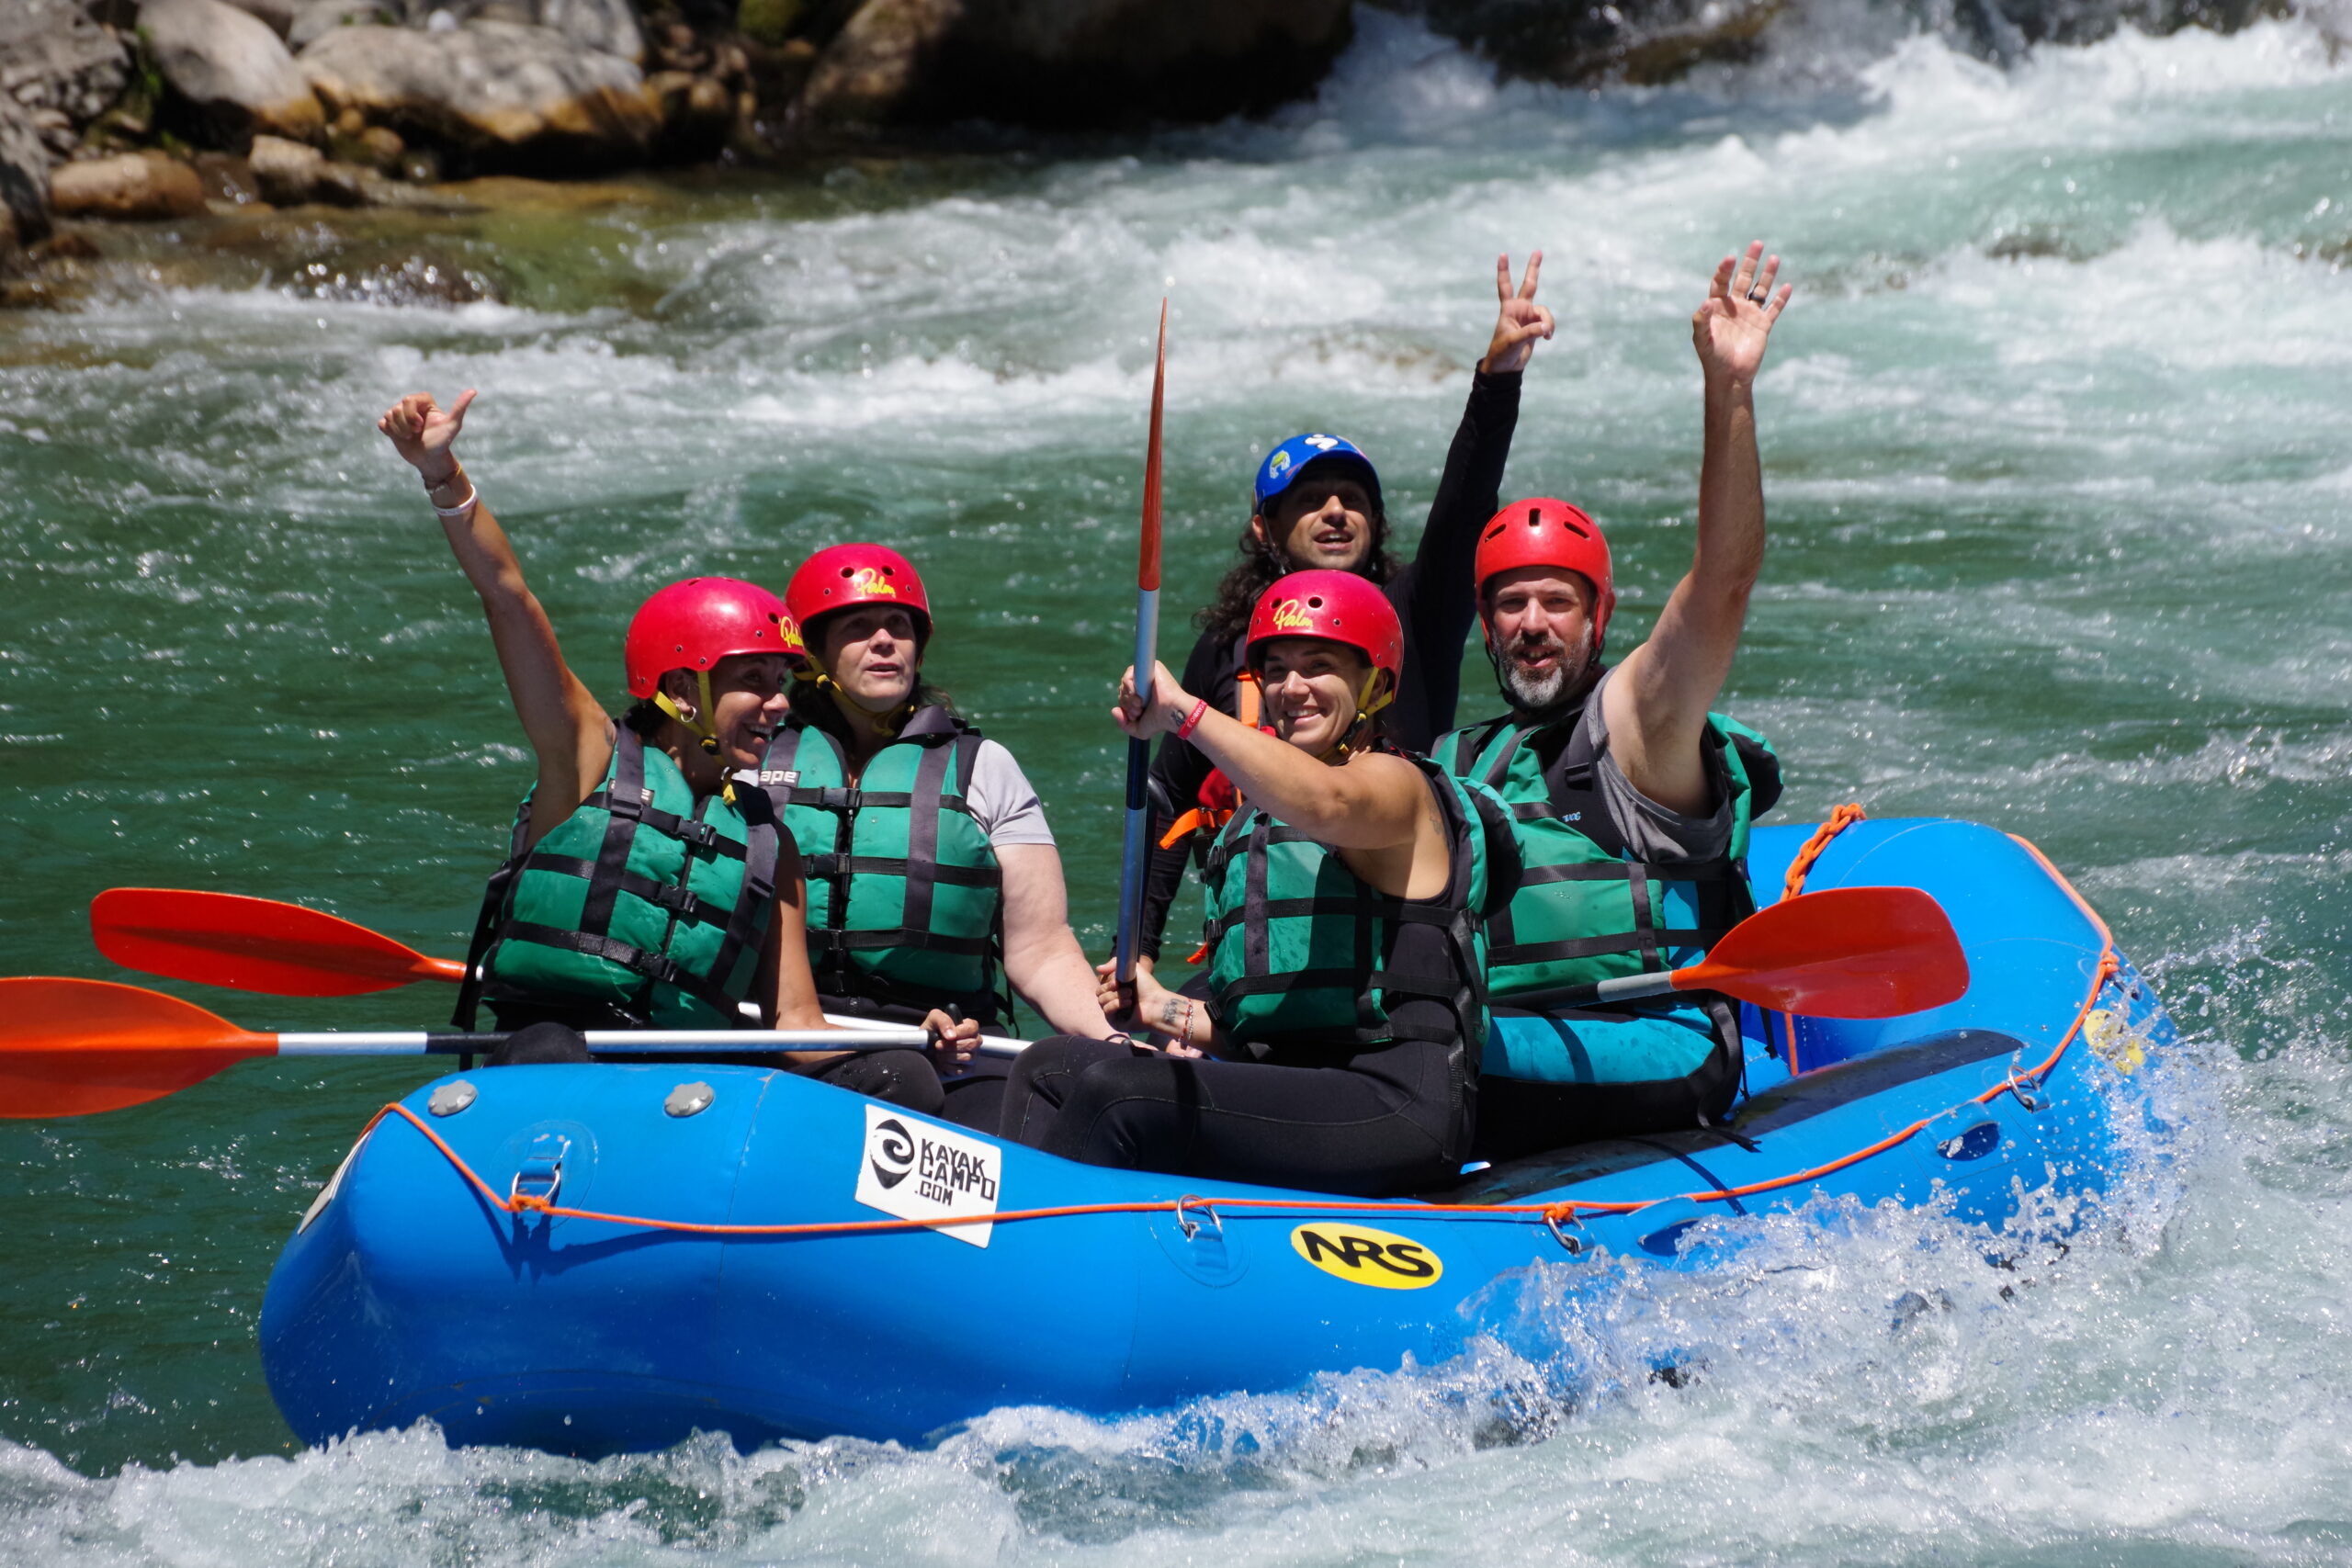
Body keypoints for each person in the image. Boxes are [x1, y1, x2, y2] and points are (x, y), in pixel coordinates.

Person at [377, 389, 977, 1107]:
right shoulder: (587, 758)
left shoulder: (764, 838)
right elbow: (510, 598)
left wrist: (913, 1043)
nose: (780, 700)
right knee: (549, 1051)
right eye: (753, 679)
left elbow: (797, 1025)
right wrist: (442, 474)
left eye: (782, 678)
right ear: (681, 689)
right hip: (555, 1051)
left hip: (686, 1093)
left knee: (899, 1076)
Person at [1433, 243, 1792, 1163]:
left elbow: (1723, 583)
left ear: (1600, 621)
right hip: (1509, 1047)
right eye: (1510, 603)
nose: (1532, 624)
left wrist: (1729, 389)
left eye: (1558, 602)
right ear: (1484, 624)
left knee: (1414, 1054)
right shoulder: (1459, 760)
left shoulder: (1638, 724)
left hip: (1655, 1041)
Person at [1000, 571, 1516, 1198]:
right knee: (1049, 1065)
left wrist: (1185, 713)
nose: (1291, 688)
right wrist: (1158, 1005)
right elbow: (1266, 1029)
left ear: (1375, 685)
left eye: (1318, 665)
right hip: (1303, 1087)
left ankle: (1045, 1256)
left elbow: (1327, 801)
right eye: (1275, 670)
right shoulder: (1256, 825)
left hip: (1400, 1101)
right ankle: (1011, 1237)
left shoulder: (1399, 789)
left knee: (1119, 1096)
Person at [1126, 254, 1555, 984]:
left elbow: (1463, 505)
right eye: (1311, 498)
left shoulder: (1415, 612)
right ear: (1266, 529)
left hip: (1394, 933)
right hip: (1271, 941)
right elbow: (1168, 796)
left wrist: (1496, 383)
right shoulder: (1229, 648)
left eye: (1353, 499)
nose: (1335, 510)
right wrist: (1133, 955)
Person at [758, 543, 1116, 1127]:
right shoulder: (751, 762)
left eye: (899, 626)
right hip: (785, 1029)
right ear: (811, 654)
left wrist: (1112, 1040)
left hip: (950, 1042)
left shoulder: (985, 767)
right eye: (858, 627)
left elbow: (1041, 948)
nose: (884, 641)